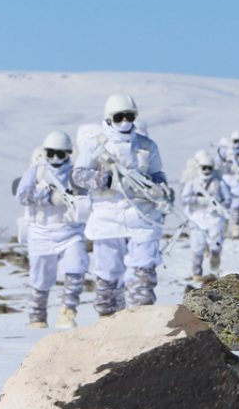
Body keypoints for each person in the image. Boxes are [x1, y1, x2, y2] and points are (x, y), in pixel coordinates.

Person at [72, 94, 170, 316]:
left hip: (142, 215)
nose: (125, 122)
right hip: (107, 216)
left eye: (129, 116)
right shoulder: (96, 145)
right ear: (109, 119)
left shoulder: (146, 146)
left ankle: (140, 318)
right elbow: (77, 175)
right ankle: (108, 320)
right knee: (108, 274)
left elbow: (158, 173)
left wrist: (160, 188)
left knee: (144, 271)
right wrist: (104, 180)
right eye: (119, 117)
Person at [15, 131, 88, 328]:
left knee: (76, 269)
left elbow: (87, 198)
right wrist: (46, 196)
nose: (55, 158)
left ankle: (68, 312)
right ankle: (37, 317)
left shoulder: (75, 174)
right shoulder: (36, 172)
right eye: (51, 153)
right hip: (41, 232)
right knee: (40, 279)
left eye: (60, 154)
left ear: (68, 154)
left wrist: (74, 199)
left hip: (69, 231)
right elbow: (22, 195)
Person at [180, 149, 231, 281]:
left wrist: (219, 206)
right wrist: (197, 200)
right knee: (197, 247)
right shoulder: (193, 183)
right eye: (204, 168)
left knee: (216, 246)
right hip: (197, 218)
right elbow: (184, 198)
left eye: (209, 168)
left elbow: (228, 199)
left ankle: (214, 271)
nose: (207, 171)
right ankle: (196, 273)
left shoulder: (219, 182)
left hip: (214, 219)